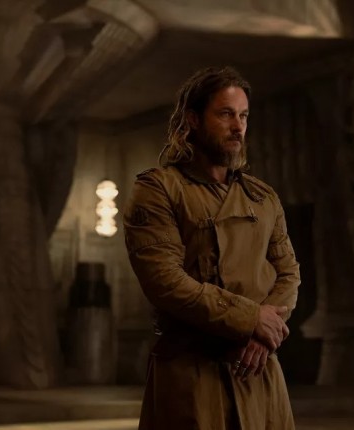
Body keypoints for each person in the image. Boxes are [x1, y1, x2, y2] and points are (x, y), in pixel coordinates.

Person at [123, 66, 300, 430]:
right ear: (193, 119)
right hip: (191, 372)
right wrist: (250, 319)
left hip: (258, 370)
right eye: (225, 114)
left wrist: (262, 335)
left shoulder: (263, 197)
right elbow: (165, 282)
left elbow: (288, 273)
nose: (238, 127)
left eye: (243, 116)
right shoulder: (158, 190)